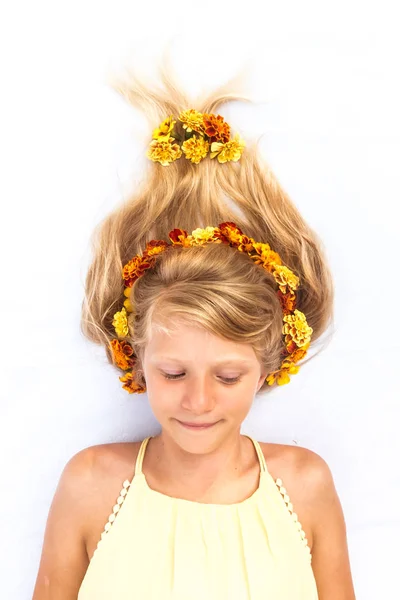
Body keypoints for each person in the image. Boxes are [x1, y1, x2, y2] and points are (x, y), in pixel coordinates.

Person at [32, 63, 356, 599]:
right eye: (175, 371)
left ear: (269, 367)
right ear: (136, 358)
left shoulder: (303, 487)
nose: (198, 400)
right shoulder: (90, 486)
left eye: (228, 376)